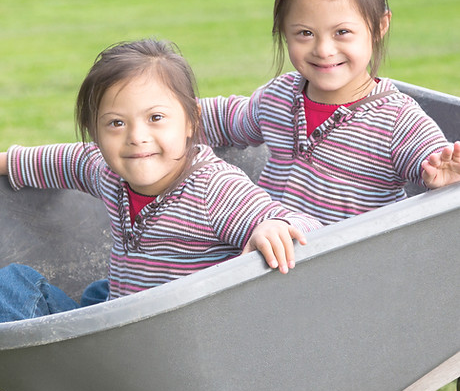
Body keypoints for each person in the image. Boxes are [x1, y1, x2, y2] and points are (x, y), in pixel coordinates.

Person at [0, 39, 321, 322]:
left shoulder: (212, 188)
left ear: (191, 121)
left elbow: (306, 227)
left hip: (176, 343)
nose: (137, 137)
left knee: (33, 288)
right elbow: (54, 161)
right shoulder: (108, 172)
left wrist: (273, 226)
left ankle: (49, 382)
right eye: (115, 123)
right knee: (65, 289)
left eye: (155, 118)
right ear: (95, 134)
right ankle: (49, 373)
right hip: (124, 316)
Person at [199, 0, 460, 225]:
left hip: (347, 264)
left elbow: (429, 155)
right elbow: (225, 119)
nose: (323, 50)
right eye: (305, 33)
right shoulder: (278, 97)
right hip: (270, 256)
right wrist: (167, 115)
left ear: (379, 26)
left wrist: (442, 172)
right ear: (284, 31)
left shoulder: (395, 119)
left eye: (342, 32)